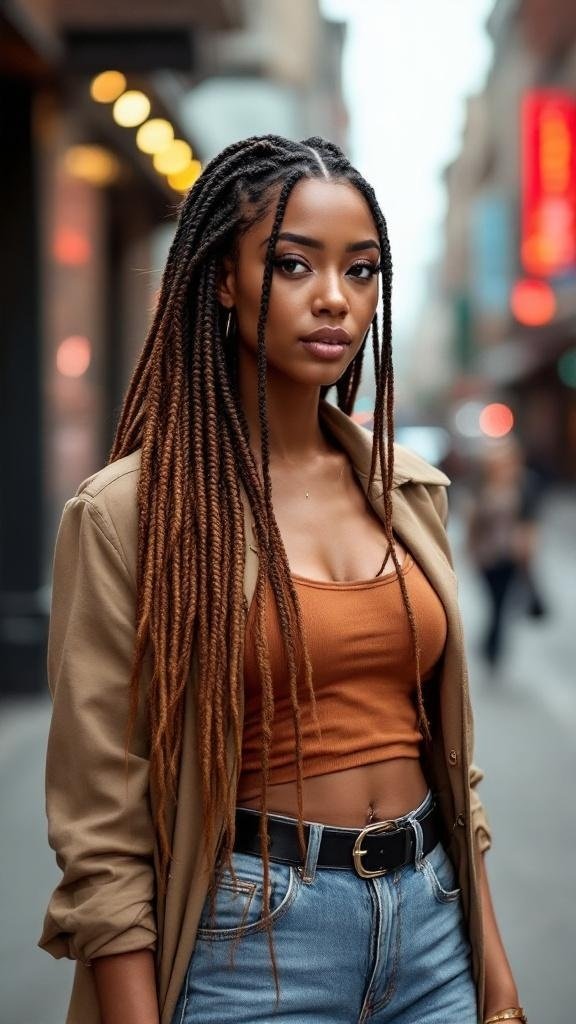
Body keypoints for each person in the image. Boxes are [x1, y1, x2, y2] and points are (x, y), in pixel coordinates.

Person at [39, 135, 527, 1024]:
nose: (336, 298)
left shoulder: (410, 494)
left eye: (363, 269)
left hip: (432, 927)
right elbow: (101, 828)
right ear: (223, 278)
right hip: (253, 943)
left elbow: (454, 766)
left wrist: (493, 970)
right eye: (294, 264)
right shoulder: (128, 515)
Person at [466, 437, 547, 672]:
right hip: (486, 555)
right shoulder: (481, 484)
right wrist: (471, 549)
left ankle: (493, 647)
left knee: (500, 604)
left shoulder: (526, 484)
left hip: (511, 555)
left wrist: (529, 547)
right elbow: (473, 521)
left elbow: (531, 520)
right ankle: (491, 642)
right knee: (492, 601)